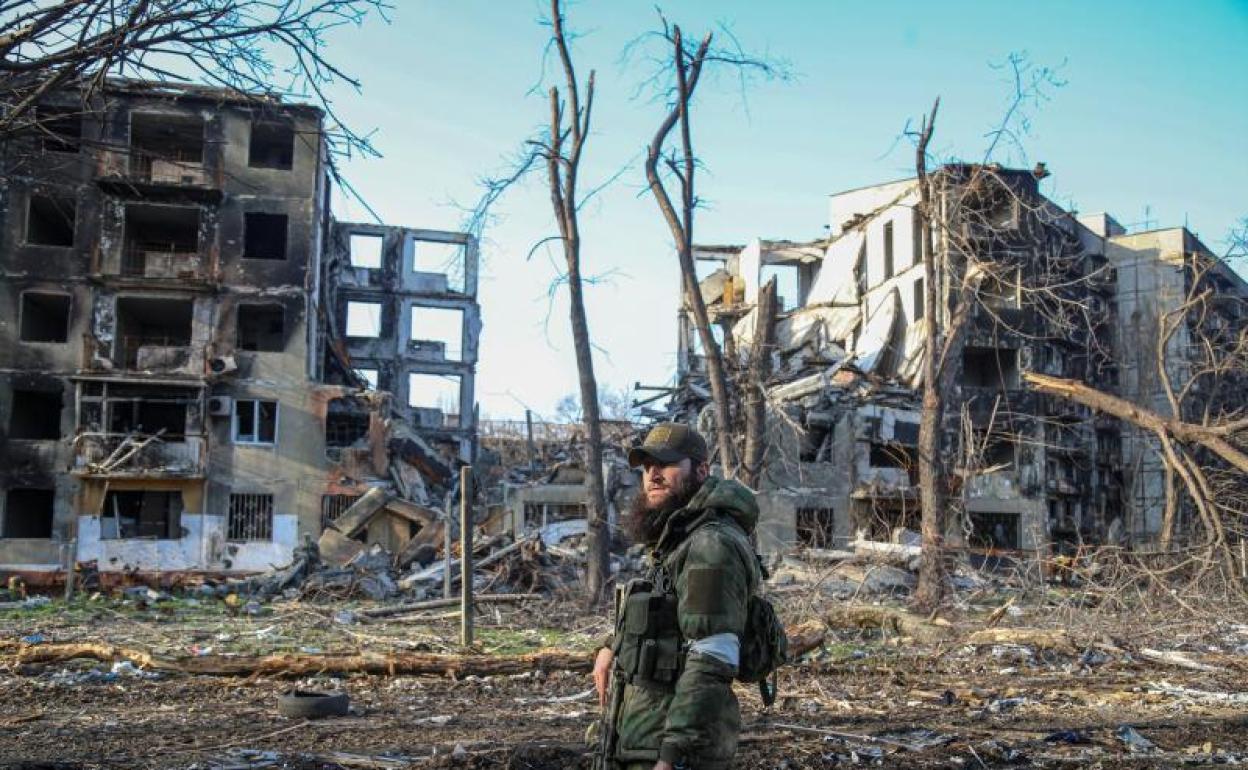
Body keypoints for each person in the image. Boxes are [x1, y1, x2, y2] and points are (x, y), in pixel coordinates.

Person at [593, 422, 761, 770]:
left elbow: (712, 656)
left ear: (701, 470)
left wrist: (673, 757)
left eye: (666, 464)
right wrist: (612, 646)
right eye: (647, 466)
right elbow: (667, 617)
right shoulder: (678, 537)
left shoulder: (710, 545)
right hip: (645, 740)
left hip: (674, 751)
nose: (653, 475)